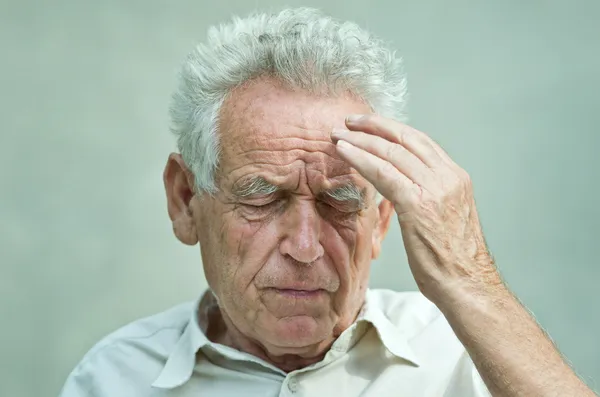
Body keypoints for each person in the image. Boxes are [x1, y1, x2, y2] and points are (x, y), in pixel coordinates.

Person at [59, 7, 596, 397]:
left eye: (340, 202)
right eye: (262, 198)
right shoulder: (115, 378)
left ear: (382, 218)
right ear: (184, 199)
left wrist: (467, 278)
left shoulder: (465, 354)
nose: (305, 246)